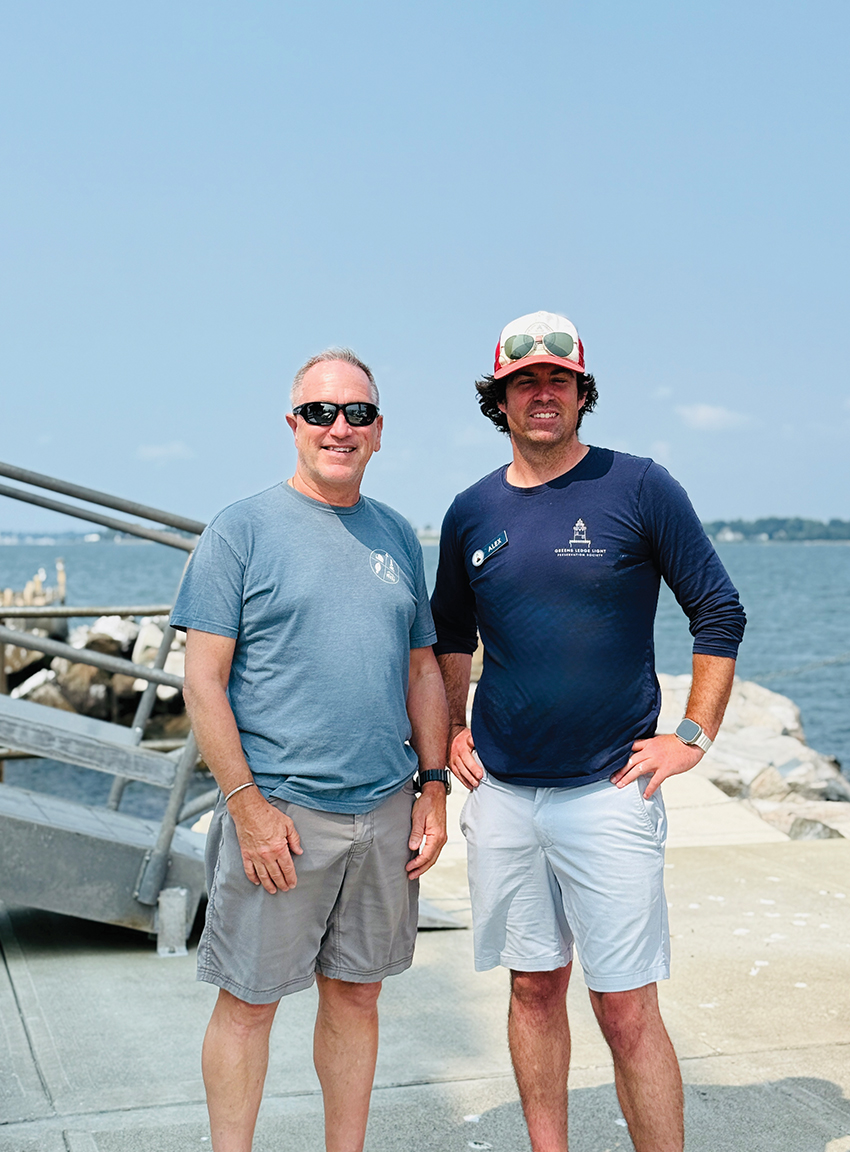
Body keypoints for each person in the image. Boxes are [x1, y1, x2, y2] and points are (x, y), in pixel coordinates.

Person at [431, 311, 745, 1152]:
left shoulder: (639, 486)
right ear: (499, 398)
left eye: (558, 381)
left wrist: (692, 735)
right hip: (504, 794)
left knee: (625, 1005)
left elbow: (718, 610)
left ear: (581, 393)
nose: (543, 394)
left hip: (610, 793)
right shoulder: (471, 510)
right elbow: (450, 634)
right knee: (533, 989)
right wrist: (452, 726)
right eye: (525, 382)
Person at [172, 348, 450, 1152]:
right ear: (293, 425)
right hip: (281, 817)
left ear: (379, 431)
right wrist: (247, 808)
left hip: (384, 811)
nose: (339, 428)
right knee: (248, 1003)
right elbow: (203, 682)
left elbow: (422, 670)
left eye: (357, 413)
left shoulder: (397, 534)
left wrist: (433, 790)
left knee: (358, 997)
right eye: (321, 412)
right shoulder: (240, 530)